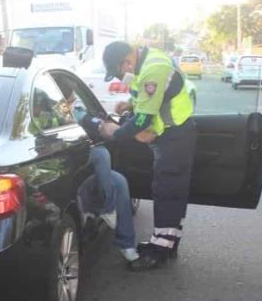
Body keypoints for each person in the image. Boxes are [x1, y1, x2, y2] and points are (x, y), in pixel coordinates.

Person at [98, 41, 196, 270]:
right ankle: (168, 242)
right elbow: (148, 97)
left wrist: (117, 133)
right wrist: (129, 104)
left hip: (175, 137)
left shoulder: (153, 68)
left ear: (127, 61)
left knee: (167, 192)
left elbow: (143, 119)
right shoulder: (147, 61)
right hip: (173, 135)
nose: (121, 75)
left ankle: (159, 250)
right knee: (172, 192)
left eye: (119, 71)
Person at [70, 97, 154, 268]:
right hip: (68, 166)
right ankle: (108, 208)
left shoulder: (72, 105)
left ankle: (126, 245)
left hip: (81, 169)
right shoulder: (62, 106)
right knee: (102, 154)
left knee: (120, 181)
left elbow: (95, 123)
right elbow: (97, 125)